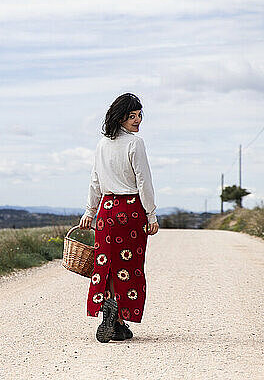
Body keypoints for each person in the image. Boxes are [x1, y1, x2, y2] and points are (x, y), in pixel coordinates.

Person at [78, 92, 159, 343]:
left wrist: (90, 211)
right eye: (132, 116)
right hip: (130, 210)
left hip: (106, 210)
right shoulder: (136, 144)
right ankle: (119, 317)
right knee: (129, 267)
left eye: (139, 116)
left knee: (107, 265)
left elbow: (95, 181)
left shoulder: (101, 145)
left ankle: (115, 319)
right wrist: (151, 213)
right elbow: (143, 180)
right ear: (120, 117)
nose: (138, 121)